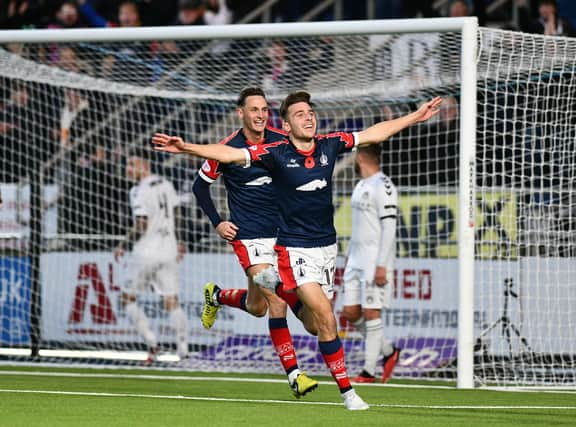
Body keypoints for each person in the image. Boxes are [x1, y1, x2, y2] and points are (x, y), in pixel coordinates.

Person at [152, 91, 442, 410]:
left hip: (323, 246)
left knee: (306, 322)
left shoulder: (329, 144)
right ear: (286, 123)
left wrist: (416, 116)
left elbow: (374, 132)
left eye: (310, 112)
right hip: (279, 244)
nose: (307, 117)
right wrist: (186, 149)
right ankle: (333, 388)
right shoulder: (272, 151)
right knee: (316, 315)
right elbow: (229, 156)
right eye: (299, 114)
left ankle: (248, 289)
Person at [192, 87, 319, 398]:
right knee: (277, 301)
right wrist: (218, 222)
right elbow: (199, 187)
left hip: (284, 237)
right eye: (254, 109)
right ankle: (295, 376)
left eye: (264, 109)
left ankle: (217, 296)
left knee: (259, 307)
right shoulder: (227, 149)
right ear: (241, 113)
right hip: (249, 240)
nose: (261, 115)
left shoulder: (281, 141)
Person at [113, 148, 188, 365]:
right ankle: (183, 350)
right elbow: (178, 214)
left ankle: (152, 345)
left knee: (127, 298)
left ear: (144, 166)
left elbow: (141, 224)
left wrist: (123, 244)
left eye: (131, 165)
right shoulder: (165, 183)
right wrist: (180, 241)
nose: (127, 170)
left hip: (146, 252)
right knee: (171, 301)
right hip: (169, 249)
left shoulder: (139, 191)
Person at [342, 143, 401, 384]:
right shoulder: (360, 185)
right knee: (350, 312)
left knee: (371, 312)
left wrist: (381, 265)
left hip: (375, 261)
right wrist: (348, 254)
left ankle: (368, 371)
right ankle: (388, 352)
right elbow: (360, 225)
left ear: (360, 157)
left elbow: (389, 227)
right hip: (355, 259)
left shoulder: (384, 185)